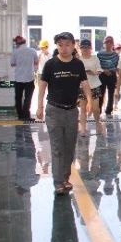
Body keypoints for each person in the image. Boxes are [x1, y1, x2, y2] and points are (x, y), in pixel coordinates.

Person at [36, 32, 92, 194]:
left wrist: (89, 100)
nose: (64, 48)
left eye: (67, 45)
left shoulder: (78, 64)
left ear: (73, 46)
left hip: (72, 111)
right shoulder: (51, 64)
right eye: (60, 45)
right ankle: (58, 182)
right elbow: (42, 86)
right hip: (54, 111)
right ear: (57, 46)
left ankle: (65, 178)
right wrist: (39, 106)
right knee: (57, 147)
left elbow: (85, 83)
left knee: (69, 147)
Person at [78, 39, 104, 135]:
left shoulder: (95, 58)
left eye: (87, 47)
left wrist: (95, 72)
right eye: (83, 47)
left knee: (95, 108)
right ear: (80, 49)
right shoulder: (78, 59)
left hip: (94, 85)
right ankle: (83, 128)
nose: (85, 49)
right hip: (82, 87)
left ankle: (98, 123)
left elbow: (99, 69)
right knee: (83, 108)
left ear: (91, 48)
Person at [10, 35, 39, 121]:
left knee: (18, 98)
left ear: (17, 43)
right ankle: (26, 116)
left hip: (18, 79)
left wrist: (20, 63)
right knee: (28, 98)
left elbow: (12, 64)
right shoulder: (32, 51)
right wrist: (33, 70)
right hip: (29, 78)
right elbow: (36, 62)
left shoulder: (15, 52)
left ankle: (20, 116)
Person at [97, 36, 119, 118]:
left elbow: (117, 66)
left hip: (112, 75)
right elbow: (97, 66)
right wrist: (104, 70)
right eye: (107, 42)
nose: (108, 44)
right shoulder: (99, 54)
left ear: (113, 44)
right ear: (104, 44)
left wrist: (112, 71)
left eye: (110, 42)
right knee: (101, 93)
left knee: (111, 94)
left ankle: (109, 111)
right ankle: (98, 110)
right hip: (102, 75)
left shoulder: (116, 55)